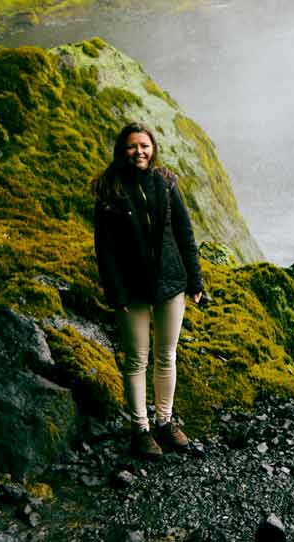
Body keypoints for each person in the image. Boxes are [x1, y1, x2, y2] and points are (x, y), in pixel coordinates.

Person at [91, 123, 205, 458]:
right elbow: (105, 250)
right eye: (131, 146)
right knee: (137, 359)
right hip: (132, 289)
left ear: (152, 148)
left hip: (171, 281)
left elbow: (185, 233)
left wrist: (195, 280)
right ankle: (140, 430)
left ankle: (165, 423)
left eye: (144, 145)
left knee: (166, 355)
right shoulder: (109, 189)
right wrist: (116, 293)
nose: (139, 152)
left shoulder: (166, 183)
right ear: (120, 150)